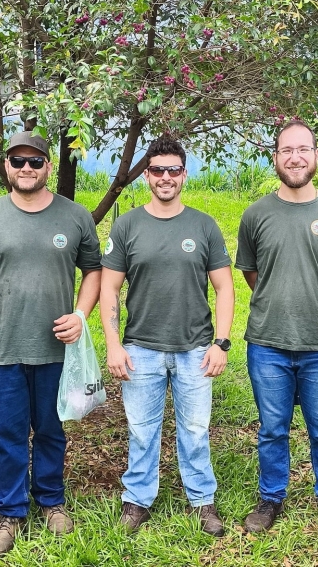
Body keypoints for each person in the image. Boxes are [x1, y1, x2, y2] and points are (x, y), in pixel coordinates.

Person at [0, 131, 102, 555]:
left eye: (35, 162)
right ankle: (11, 512)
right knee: (8, 433)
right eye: (18, 161)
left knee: (52, 430)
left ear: (48, 167)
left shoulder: (75, 217)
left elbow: (93, 271)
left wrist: (80, 314)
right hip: (3, 350)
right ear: (7, 165)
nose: (26, 168)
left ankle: (51, 501)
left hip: (58, 351)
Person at [100, 136, 234, 536]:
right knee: (141, 430)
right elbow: (109, 288)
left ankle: (201, 500)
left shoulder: (203, 225)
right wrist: (112, 343)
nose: (165, 177)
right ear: (147, 176)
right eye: (157, 170)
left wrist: (221, 342)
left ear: (184, 175)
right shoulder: (127, 226)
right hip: (141, 347)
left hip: (195, 349)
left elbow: (225, 288)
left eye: (173, 170)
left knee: (195, 431)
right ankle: (137, 499)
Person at [235, 120, 318, 540]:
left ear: (316, 155)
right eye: (287, 150)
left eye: (303, 149)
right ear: (275, 157)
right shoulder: (256, 214)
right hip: (267, 342)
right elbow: (252, 274)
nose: (295, 157)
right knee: (272, 427)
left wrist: (308, 299)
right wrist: (280, 300)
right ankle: (271, 497)